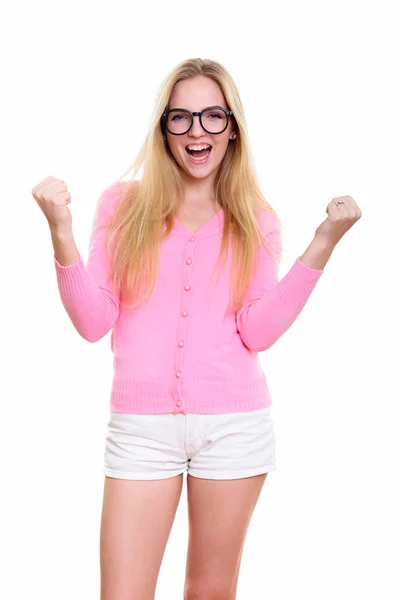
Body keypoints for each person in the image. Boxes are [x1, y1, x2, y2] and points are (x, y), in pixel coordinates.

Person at [32, 57, 362, 600]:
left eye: (212, 116)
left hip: (234, 427)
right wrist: (60, 231)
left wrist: (324, 241)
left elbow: (257, 331)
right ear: (163, 129)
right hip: (141, 430)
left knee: (210, 592)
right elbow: (93, 322)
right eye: (180, 118)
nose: (197, 131)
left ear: (232, 127)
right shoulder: (123, 206)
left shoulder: (256, 217)